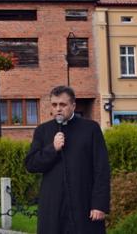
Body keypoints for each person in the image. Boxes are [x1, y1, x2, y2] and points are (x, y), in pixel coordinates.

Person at [24, 86, 110, 233]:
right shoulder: (43, 131)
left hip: (83, 204)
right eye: (54, 105)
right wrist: (52, 148)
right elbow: (31, 164)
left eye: (62, 104)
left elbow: (102, 169)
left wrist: (99, 204)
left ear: (73, 106)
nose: (58, 109)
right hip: (53, 206)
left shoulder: (91, 129)